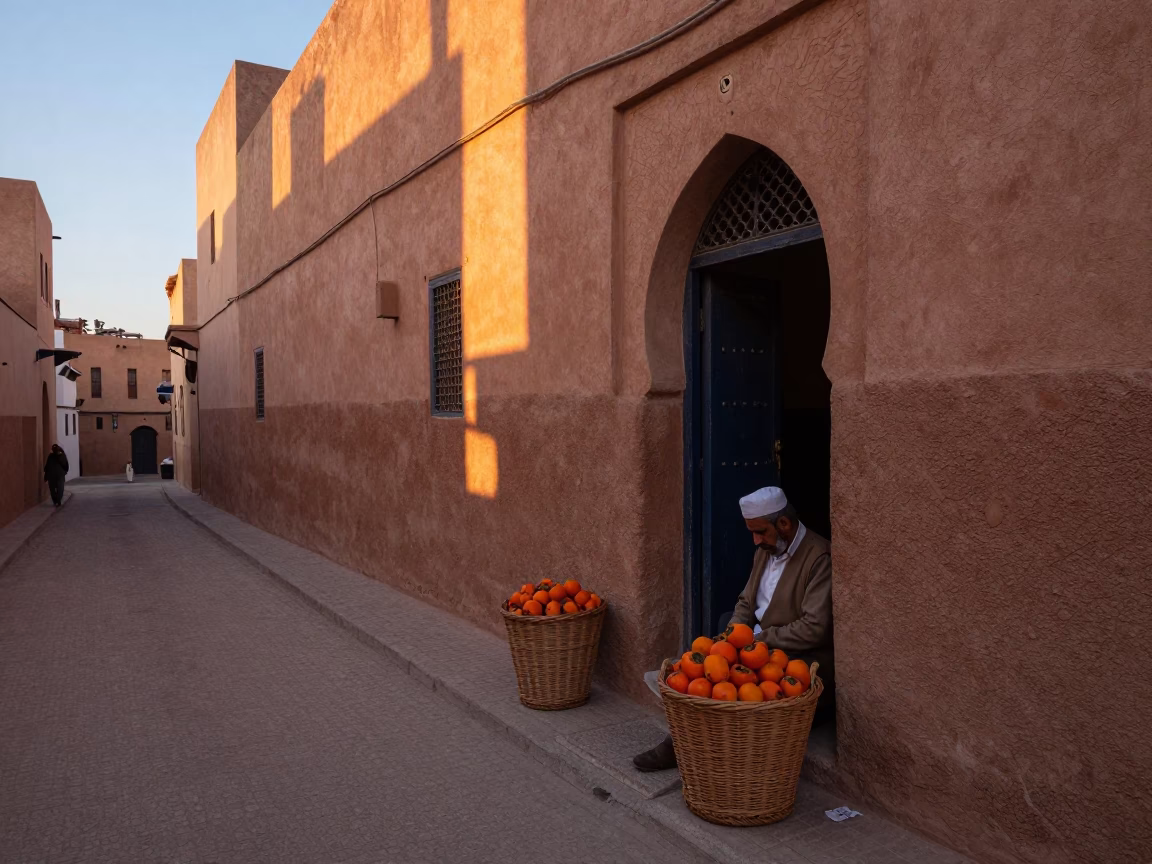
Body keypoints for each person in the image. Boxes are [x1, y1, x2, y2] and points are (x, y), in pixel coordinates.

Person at [632, 486, 834, 772]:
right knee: (709, 663)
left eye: (761, 532)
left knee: (732, 688)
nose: (755, 540)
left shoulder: (818, 558)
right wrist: (732, 636)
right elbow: (746, 601)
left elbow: (814, 629)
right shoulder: (767, 548)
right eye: (752, 532)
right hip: (758, 645)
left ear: (784, 524)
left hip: (796, 653)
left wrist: (757, 639)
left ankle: (678, 747)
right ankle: (683, 740)